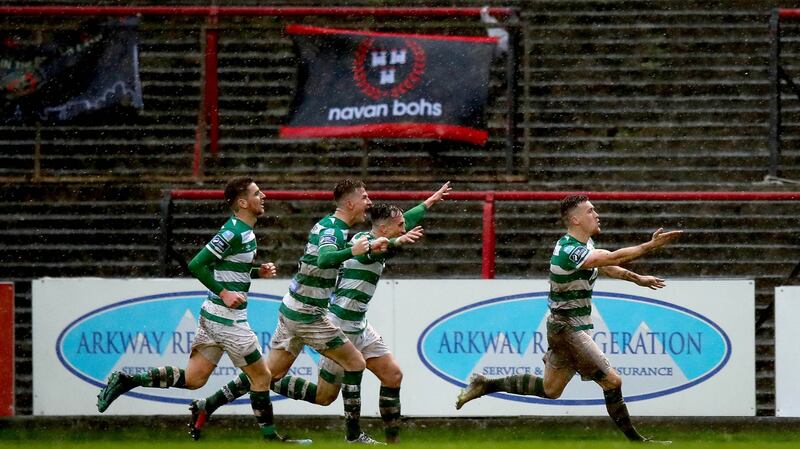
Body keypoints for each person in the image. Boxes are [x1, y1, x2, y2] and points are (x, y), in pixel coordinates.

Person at [191, 182, 452, 445]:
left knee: (271, 375)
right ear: (350, 204)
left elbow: (394, 227)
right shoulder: (343, 236)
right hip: (315, 316)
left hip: (300, 309)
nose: (369, 201)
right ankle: (353, 437)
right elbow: (328, 258)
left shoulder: (349, 232)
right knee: (349, 370)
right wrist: (365, 248)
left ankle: (209, 403)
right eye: (364, 197)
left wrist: (430, 202)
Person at [96, 176, 309, 444]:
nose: (263, 196)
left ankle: (127, 379)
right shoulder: (232, 232)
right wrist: (224, 293)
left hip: (213, 315)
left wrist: (257, 270)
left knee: (194, 379)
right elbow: (197, 264)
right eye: (257, 193)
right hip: (227, 320)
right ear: (242, 202)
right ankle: (271, 438)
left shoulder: (245, 232)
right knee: (262, 376)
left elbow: (228, 266)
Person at [455, 194, 682, 444]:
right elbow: (611, 258)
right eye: (590, 211)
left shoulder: (585, 245)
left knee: (551, 390)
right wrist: (650, 246)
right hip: (567, 328)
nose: (596, 214)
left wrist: (638, 279)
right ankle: (638, 442)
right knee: (612, 380)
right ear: (575, 220)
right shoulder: (568, 251)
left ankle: (485, 385)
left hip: (564, 326)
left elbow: (606, 266)